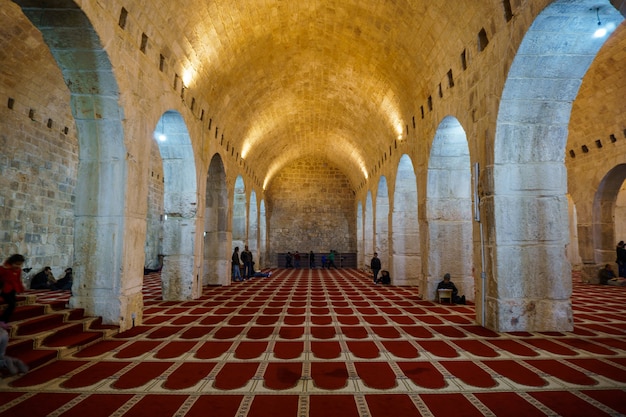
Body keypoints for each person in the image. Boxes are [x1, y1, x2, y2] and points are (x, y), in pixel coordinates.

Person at [0, 254, 26, 323]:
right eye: (16, 264)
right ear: (11, 262)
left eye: (20, 264)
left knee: (13, 303)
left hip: (13, 289)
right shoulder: (4, 268)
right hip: (4, 289)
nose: (18, 266)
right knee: (12, 304)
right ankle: (2, 320)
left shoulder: (18, 270)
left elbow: (18, 280)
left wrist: (21, 288)